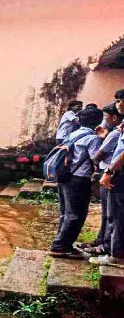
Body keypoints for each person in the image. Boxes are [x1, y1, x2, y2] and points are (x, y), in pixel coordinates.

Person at [50, 107, 103, 258]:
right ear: (97, 121)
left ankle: (60, 243)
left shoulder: (73, 134)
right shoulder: (92, 138)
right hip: (79, 179)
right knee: (76, 214)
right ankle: (61, 247)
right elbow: (96, 159)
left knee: (65, 212)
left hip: (65, 176)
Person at [85, 103, 123, 256]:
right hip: (111, 173)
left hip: (110, 173)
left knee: (111, 214)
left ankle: (107, 246)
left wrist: (104, 170)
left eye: (105, 117)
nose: (103, 121)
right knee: (110, 213)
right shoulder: (115, 132)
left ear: (114, 118)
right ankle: (103, 242)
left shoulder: (115, 134)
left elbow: (97, 156)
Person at [96, 90, 124, 267]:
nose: (119, 104)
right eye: (118, 101)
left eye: (122, 100)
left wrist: (109, 171)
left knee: (117, 216)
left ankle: (116, 255)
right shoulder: (120, 127)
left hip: (119, 174)